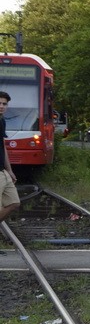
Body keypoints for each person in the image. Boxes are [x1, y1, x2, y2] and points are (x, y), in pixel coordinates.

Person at [0, 92, 19, 238]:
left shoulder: (2, 121)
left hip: (2, 171)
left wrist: (9, 170)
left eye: (4, 104)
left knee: (13, 202)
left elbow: (3, 146)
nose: (1, 106)